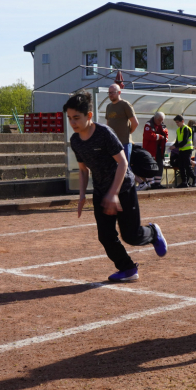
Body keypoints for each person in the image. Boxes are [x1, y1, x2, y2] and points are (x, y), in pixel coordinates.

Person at [66, 90, 166, 283]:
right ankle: (127, 268)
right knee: (105, 236)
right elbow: (83, 170)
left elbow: (123, 163)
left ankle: (153, 232)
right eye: (69, 118)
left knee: (131, 236)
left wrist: (114, 194)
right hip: (101, 191)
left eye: (76, 118)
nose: (73, 123)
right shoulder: (75, 140)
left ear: (89, 115)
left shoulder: (104, 133)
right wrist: (81, 196)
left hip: (123, 187)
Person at [104, 83, 138, 160]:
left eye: (113, 92)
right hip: (112, 143)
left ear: (119, 92)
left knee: (125, 165)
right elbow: (108, 124)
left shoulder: (125, 104)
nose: (110, 95)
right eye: (109, 93)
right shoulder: (109, 106)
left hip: (124, 142)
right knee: (113, 165)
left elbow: (135, 123)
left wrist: (128, 133)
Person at [140, 112, 168, 189]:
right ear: (155, 118)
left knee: (159, 165)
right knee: (150, 165)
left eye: (162, 120)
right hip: (150, 149)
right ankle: (151, 184)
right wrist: (160, 136)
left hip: (159, 149)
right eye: (159, 120)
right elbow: (148, 136)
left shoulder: (162, 125)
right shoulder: (148, 124)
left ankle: (157, 183)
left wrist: (163, 138)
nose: (161, 122)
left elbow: (166, 135)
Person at [169, 114, 195, 187]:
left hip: (187, 149)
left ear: (182, 121)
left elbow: (185, 141)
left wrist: (175, 146)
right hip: (181, 150)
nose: (177, 124)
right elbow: (177, 141)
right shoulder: (178, 130)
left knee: (187, 165)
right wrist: (173, 146)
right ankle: (184, 182)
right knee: (181, 166)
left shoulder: (186, 128)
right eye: (176, 122)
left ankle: (194, 179)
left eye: (178, 122)